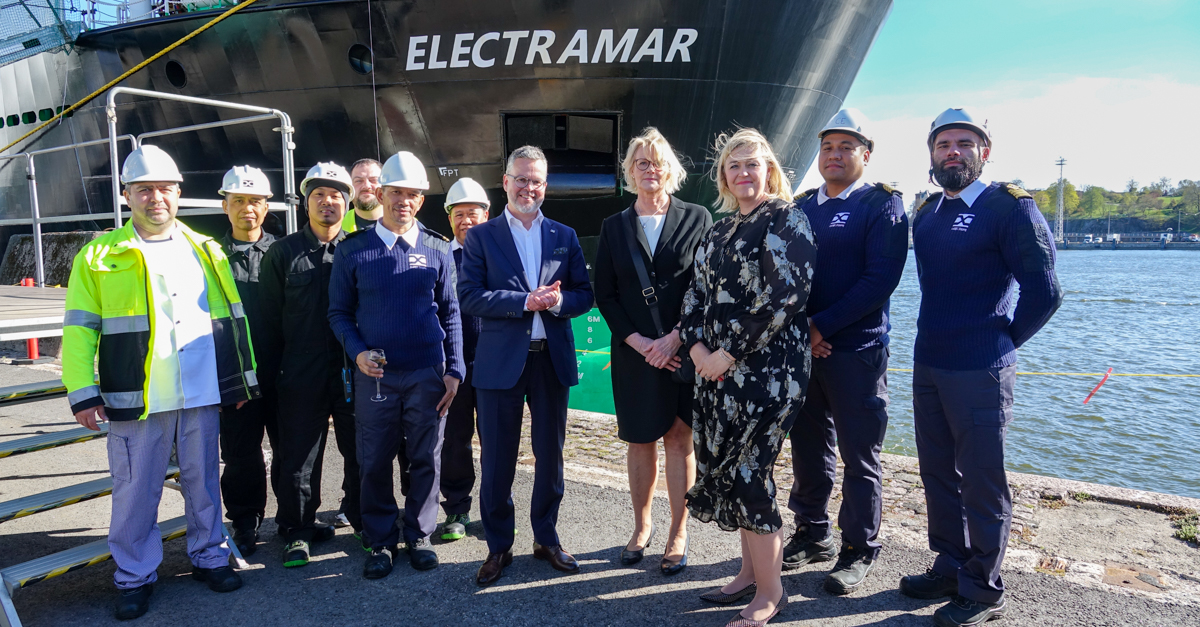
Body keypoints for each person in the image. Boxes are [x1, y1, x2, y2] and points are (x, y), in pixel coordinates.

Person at [62, 145, 256, 620]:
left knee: (204, 482)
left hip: (200, 390)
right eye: (144, 189)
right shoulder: (99, 256)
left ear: (178, 193)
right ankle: (134, 576)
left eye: (164, 188)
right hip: (138, 396)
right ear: (127, 195)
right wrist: (82, 393)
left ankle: (209, 556)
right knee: (135, 490)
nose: (156, 198)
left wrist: (239, 381)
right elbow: (79, 329)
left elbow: (233, 320)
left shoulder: (206, 250)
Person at [900, 108, 1061, 626]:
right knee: (937, 472)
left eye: (964, 143)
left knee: (982, 481)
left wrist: (1000, 342)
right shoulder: (927, 213)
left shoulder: (1009, 208)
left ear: (984, 152)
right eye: (943, 143)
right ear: (931, 153)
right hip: (929, 363)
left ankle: (983, 589)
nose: (953, 151)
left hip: (981, 368)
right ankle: (951, 565)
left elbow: (1045, 292)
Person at [679, 128, 816, 626]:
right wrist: (697, 348)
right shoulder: (718, 230)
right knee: (732, 474)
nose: (743, 173)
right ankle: (749, 573)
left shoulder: (786, 218)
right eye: (733, 165)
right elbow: (694, 295)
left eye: (752, 163)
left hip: (769, 374)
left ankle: (772, 594)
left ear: (769, 170)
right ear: (723, 175)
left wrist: (727, 353)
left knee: (750, 475)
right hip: (716, 374)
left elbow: (785, 297)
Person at [783, 109, 909, 594]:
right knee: (808, 448)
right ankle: (812, 533)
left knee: (860, 456)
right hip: (805, 349)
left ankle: (858, 547)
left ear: (866, 154)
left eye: (846, 147)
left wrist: (820, 326)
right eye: (827, 147)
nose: (834, 155)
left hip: (857, 351)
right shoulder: (801, 206)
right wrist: (802, 330)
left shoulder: (882, 205)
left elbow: (879, 280)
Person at [458, 145, 595, 587]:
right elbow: (469, 296)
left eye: (536, 181)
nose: (528, 188)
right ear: (505, 182)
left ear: (545, 186)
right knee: (498, 459)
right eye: (521, 179)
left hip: (550, 360)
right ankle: (499, 546)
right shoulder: (481, 237)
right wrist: (524, 301)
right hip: (500, 363)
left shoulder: (564, 235)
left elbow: (584, 294)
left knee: (550, 456)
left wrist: (556, 302)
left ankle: (546, 538)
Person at [329, 151, 464, 579]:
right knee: (373, 460)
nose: (403, 201)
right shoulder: (353, 250)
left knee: (425, 457)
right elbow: (338, 313)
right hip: (376, 377)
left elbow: (451, 312)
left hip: (427, 373)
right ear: (381, 193)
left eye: (412, 194)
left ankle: (420, 535)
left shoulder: (437, 248)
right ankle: (381, 540)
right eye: (396, 192)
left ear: (421, 200)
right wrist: (357, 352)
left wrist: (455, 370)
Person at [593, 128, 711, 576]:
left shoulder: (697, 217)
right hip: (634, 353)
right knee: (640, 440)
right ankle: (641, 526)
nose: (650, 169)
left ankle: (678, 531)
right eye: (641, 162)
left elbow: (707, 286)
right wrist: (642, 343)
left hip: (683, 349)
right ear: (630, 171)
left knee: (680, 439)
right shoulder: (613, 226)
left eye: (657, 162)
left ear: (670, 170)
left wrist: (676, 337)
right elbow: (606, 295)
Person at [259, 162, 363, 568]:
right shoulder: (283, 253)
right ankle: (297, 530)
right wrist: (273, 379)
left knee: (360, 450)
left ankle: (362, 518)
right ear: (306, 202)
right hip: (300, 372)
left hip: (351, 369)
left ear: (347, 203)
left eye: (336, 195)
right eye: (319, 195)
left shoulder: (359, 249)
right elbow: (268, 322)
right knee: (299, 457)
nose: (327, 202)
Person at [215, 165, 280, 558]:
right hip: (235, 376)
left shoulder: (283, 253)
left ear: (266, 206)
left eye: (255, 201)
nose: (247, 209)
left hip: (281, 372)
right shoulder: (209, 258)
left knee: (292, 452)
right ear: (225, 206)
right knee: (240, 455)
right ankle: (245, 522)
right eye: (238, 200)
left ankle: (295, 520)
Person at [437, 177, 490, 542]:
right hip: (453, 366)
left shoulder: (500, 257)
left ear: (487, 215)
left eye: (473, 213)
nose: (466, 221)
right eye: (459, 214)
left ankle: (496, 508)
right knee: (455, 439)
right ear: (449, 218)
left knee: (496, 441)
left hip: (494, 365)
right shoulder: (440, 257)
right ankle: (457, 507)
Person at [343, 158, 384, 232]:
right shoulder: (336, 224)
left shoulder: (405, 225)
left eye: (374, 180)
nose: (366, 186)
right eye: (358, 181)